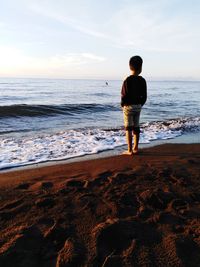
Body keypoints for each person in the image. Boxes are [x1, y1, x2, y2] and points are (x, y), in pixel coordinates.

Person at [121, 55, 147, 155]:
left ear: (129, 66)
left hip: (128, 107)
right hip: (138, 106)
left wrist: (123, 104)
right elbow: (144, 96)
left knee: (128, 128)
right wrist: (140, 104)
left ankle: (129, 150)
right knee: (136, 127)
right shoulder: (142, 80)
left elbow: (124, 94)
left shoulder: (127, 80)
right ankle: (136, 148)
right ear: (141, 68)